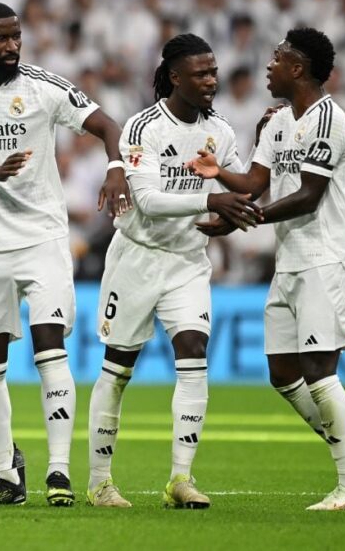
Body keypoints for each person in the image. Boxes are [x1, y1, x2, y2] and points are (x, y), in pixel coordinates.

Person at [0, 1, 130, 506]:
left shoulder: (44, 86)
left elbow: (108, 125)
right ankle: (5, 478)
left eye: (16, 36)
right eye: (0, 38)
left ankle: (59, 474)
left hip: (43, 237)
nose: (12, 46)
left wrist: (115, 167)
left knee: (49, 348)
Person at [187, 28, 345, 511]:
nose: (268, 66)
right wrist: (220, 175)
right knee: (282, 373)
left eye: (277, 59)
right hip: (290, 262)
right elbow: (256, 181)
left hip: (327, 258)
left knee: (320, 371)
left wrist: (240, 220)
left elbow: (307, 196)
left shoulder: (330, 120)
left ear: (298, 68)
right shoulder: (275, 123)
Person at [85, 34, 262, 510]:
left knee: (194, 353)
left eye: (214, 71)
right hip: (137, 258)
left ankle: (180, 479)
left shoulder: (221, 131)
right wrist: (211, 199)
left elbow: (237, 185)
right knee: (118, 369)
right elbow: (147, 200)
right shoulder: (143, 128)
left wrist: (229, 215)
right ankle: (100, 481)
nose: (211, 81)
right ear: (176, 77)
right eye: (201, 73)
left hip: (187, 261)